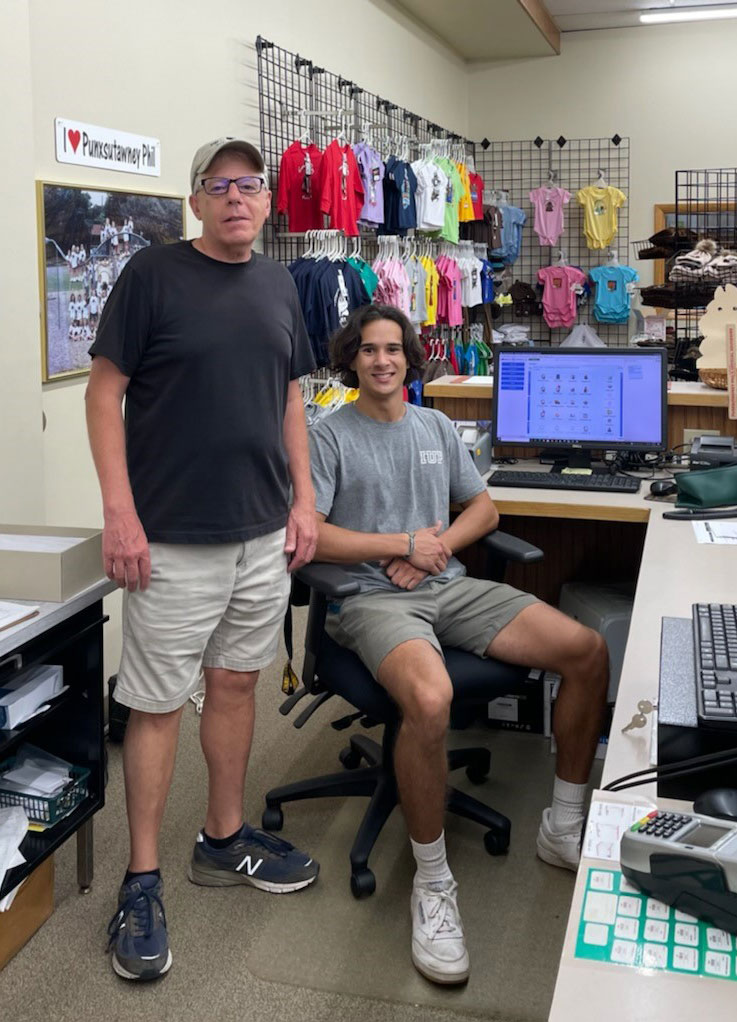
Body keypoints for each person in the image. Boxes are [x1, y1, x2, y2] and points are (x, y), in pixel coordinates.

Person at [308, 303, 608, 986]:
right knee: (432, 696)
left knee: (585, 650)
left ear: (412, 359)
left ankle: (562, 825)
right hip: (371, 599)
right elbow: (313, 538)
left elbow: (485, 508)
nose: (382, 361)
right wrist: (401, 545)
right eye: (367, 350)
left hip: (445, 584)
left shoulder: (435, 424)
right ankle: (433, 884)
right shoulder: (328, 436)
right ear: (350, 359)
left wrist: (435, 545)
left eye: (393, 349)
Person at [85, 137, 320, 983]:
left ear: (266, 202)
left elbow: (289, 396)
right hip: (172, 538)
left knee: (236, 682)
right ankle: (140, 877)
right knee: (153, 707)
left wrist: (303, 500)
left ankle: (222, 837)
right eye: (219, 186)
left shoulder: (276, 283)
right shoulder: (151, 277)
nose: (235, 198)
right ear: (195, 202)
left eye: (249, 185)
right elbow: (103, 394)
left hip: (261, 534)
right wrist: (120, 514)